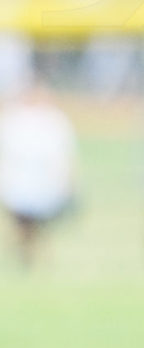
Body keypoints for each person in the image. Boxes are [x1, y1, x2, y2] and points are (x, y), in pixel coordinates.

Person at [0, 83, 78, 268]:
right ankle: (28, 257)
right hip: (20, 186)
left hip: (44, 186)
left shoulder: (54, 121)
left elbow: (64, 156)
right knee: (25, 226)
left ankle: (37, 258)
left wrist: (66, 182)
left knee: (40, 227)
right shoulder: (14, 121)